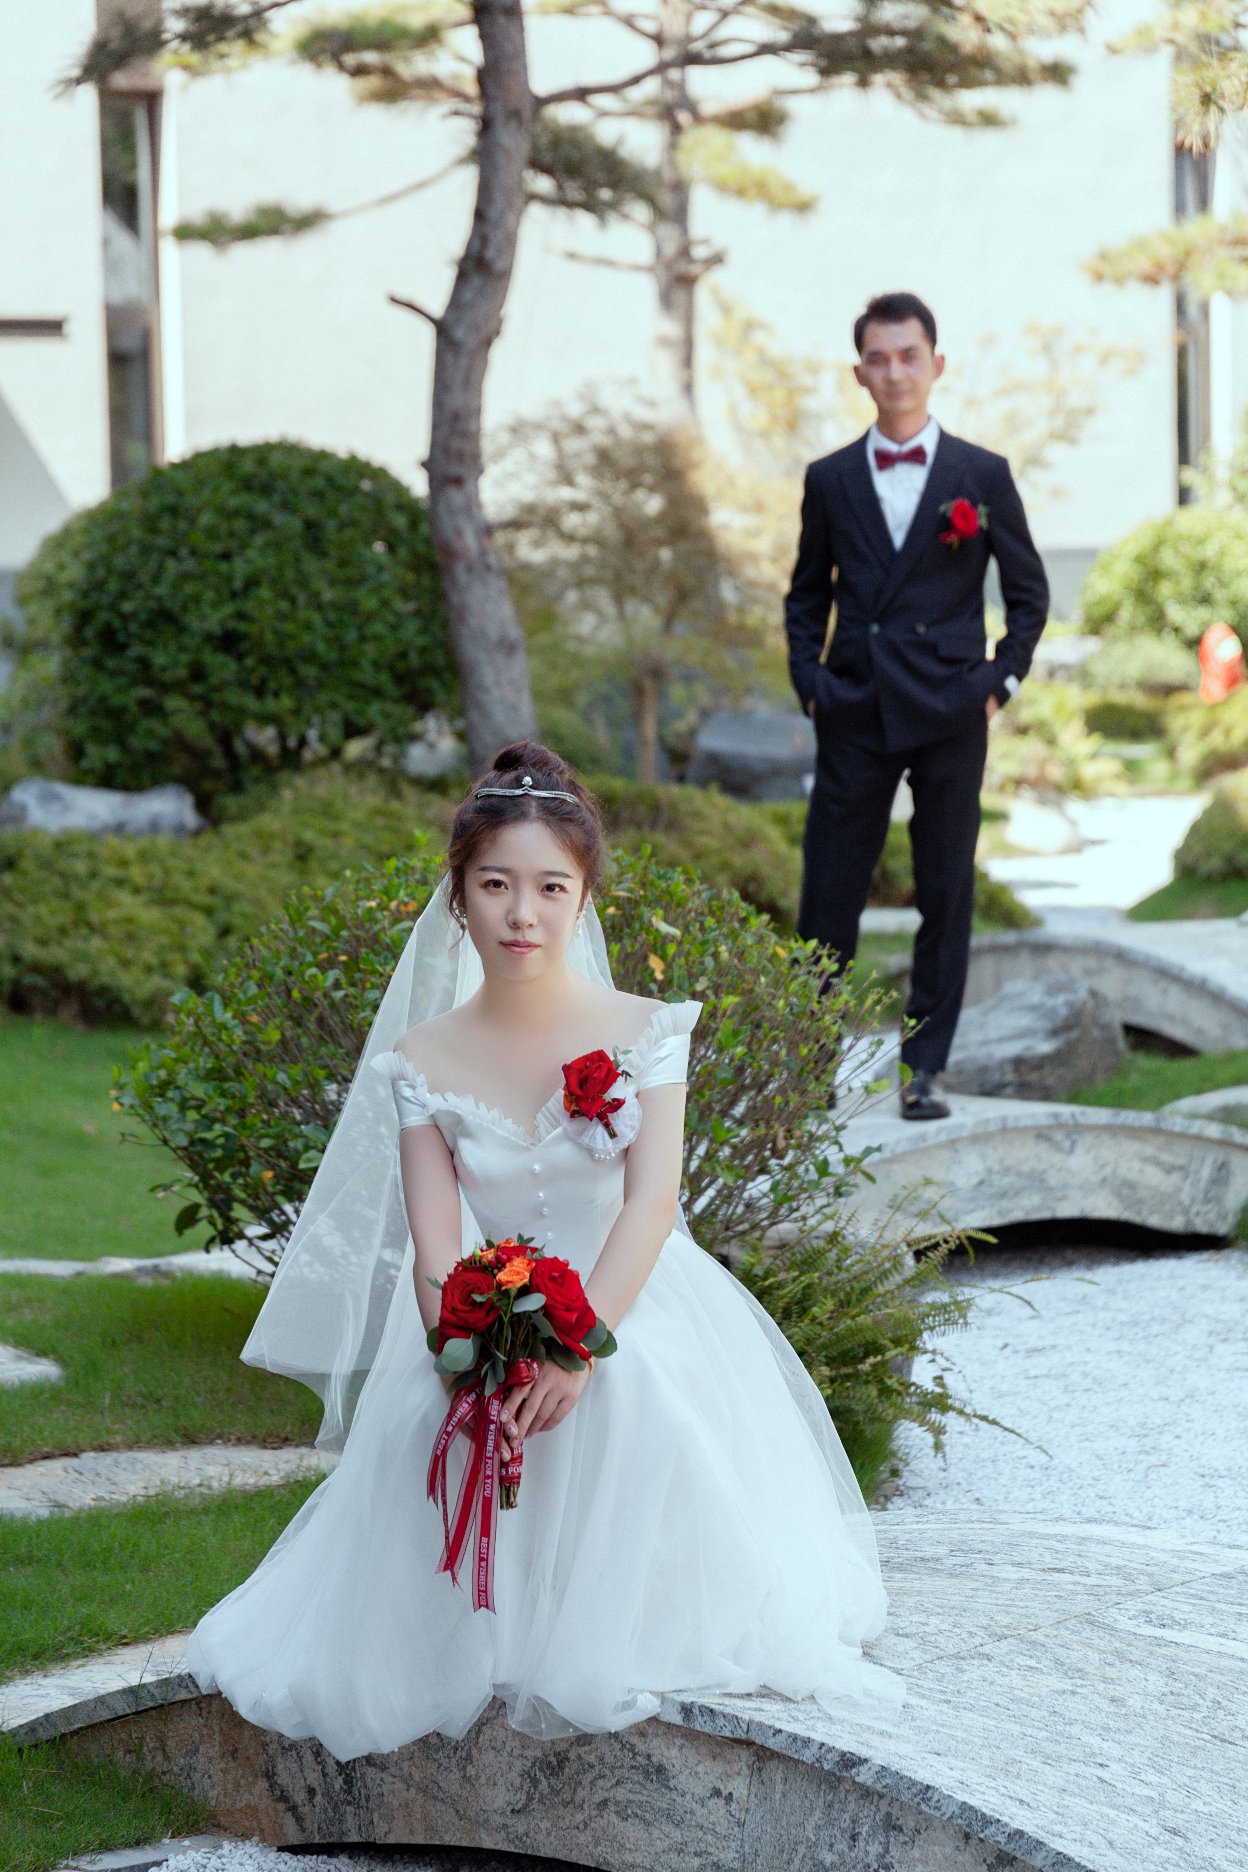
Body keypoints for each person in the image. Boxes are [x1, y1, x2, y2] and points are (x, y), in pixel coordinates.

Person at [185, 740, 905, 1758]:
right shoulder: (420, 1061)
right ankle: (477, 1629)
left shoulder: (647, 1033)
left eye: (550, 887)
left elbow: (650, 1203)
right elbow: (436, 1248)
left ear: (583, 898)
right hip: (484, 1309)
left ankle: (610, 1622)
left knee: (633, 1390)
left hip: (628, 1295)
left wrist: (576, 1348)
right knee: (435, 1422)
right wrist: (467, 1360)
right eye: (495, 884)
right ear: (458, 898)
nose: (522, 912)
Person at [785, 292, 1049, 1119]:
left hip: (949, 709)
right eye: (879, 358)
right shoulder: (829, 478)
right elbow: (806, 595)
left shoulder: (981, 474)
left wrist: (998, 683)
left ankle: (923, 1067)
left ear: (936, 364)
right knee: (829, 891)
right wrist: (811, 686)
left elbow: (1030, 595)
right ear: (858, 372)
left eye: (909, 356)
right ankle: (807, 1069)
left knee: (945, 887)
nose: (895, 371)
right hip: (855, 707)